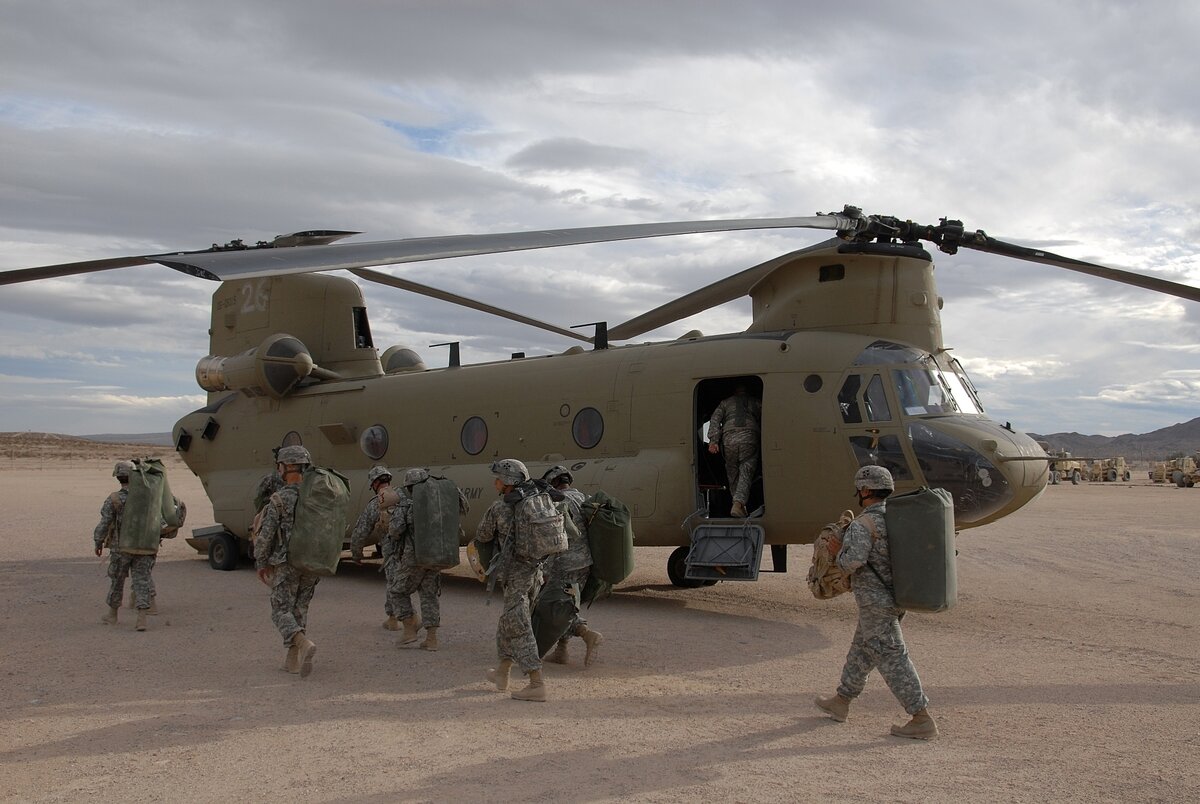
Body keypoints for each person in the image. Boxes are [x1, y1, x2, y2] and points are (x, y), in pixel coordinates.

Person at [815, 465, 937, 740]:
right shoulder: (895, 519)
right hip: (896, 596)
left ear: (866, 490)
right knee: (863, 649)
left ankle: (921, 717)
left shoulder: (863, 524)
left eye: (860, 489)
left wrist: (837, 554)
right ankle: (841, 701)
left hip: (875, 601)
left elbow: (853, 562)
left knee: (891, 655)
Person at [475, 458, 548, 702]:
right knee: (509, 621)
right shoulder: (536, 502)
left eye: (498, 478)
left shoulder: (500, 508)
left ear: (508, 482)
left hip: (516, 574)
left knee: (518, 625)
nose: (495, 482)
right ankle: (502, 673)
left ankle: (536, 683)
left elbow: (482, 534)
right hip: (535, 572)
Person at [254, 445, 320, 678]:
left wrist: (261, 562)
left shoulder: (279, 499)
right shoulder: (317, 496)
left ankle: (302, 643)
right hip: (312, 563)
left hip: (287, 562)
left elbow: (266, 535)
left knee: (280, 610)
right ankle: (291, 661)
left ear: (285, 467)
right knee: (299, 609)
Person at [388, 467, 469, 651]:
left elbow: (395, 530)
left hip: (414, 557)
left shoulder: (408, 504)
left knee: (397, 591)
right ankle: (431, 639)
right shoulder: (443, 500)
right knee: (428, 594)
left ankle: (409, 629)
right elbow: (464, 509)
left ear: (410, 487)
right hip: (437, 554)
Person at [540, 465, 604, 667]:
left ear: (554, 482)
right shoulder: (583, 498)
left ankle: (587, 634)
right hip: (584, 563)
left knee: (555, 608)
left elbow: (555, 538)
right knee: (568, 604)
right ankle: (561, 651)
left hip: (564, 564)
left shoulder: (557, 501)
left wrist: (546, 570)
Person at [94, 460, 156, 631]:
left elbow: (104, 523)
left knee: (117, 580)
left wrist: (98, 542)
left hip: (120, 548)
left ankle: (112, 615)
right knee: (142, 581)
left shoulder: (114, 498)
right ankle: (141, 619)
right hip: (143, 546)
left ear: (118, 478)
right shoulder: (147, 497)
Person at [350, 465, 406, 631]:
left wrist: (356, 553)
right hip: (410, 548)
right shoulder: (403, 497)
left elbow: (360, 531)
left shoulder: (376, 504)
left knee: (393, 583)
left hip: (391, 550)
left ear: (374, 484)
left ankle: (394, 619)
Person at [707, 383, 762, 517]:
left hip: (729, 440)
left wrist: (713, 441)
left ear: (735, 391)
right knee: (746, 471)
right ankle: (738, 503)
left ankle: (737, 505)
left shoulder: (725, 403)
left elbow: (714, 419)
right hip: (749, 439)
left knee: (733, 474)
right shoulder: (755, 402)